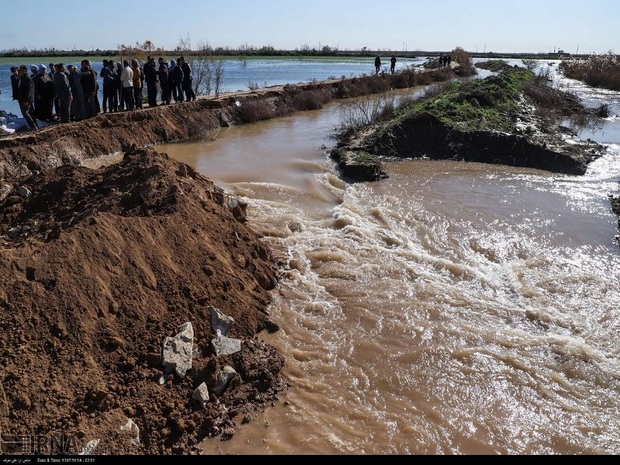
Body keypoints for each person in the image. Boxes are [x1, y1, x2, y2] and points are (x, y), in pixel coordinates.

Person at [17, 65, 39, 130]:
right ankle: (35, 125)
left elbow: (28, 90)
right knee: (31, 113)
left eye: (20, 70)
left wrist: (26, 100)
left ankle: (33, 126)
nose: (18, 71)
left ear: (24, 70)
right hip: (23, 99)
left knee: (25, 113)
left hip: (26, 99)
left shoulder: (27, 78)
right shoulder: (22, 78)